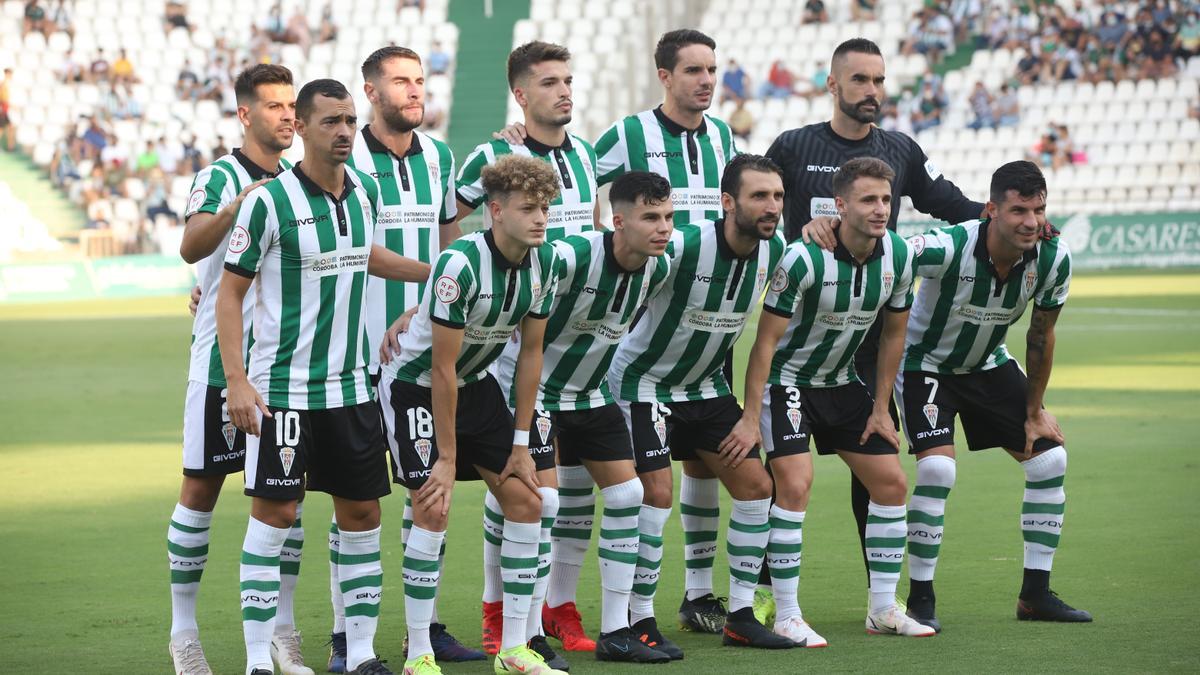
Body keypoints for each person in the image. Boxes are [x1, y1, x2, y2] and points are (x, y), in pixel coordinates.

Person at [763, 37, 984, 627]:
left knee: (877, 464)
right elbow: (758, 217)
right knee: (786, 471)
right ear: (833, 85)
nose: (872, 92)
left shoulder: (900, 150)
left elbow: (952, 204)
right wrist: (797, 235)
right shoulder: (793, 146)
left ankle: (880, 594)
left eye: (879, 81)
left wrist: (1013, 217)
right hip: (797, 340)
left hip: (864, 340)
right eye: (859, 80)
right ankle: (763, 591)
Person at [217, 78, 430, 675]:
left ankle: (359, 654)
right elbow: (229, 296)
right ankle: (260, 661)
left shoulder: (361, 193)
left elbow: (366, 254)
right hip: (282, 392)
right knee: (276, 517)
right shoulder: (268, 202)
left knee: (362, 516)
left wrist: (436, 270)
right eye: (331, 121)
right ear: (301, 128)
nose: (343, 132)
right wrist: (237, 380)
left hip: (352, 389)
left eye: (349, 120)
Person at [724, 158, 933, 643]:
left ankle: (882, 608)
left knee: (891, 483)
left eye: (886, 199)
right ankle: (787, 614)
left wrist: (882, 408)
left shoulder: (899, 257)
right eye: (868, 200)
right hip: (789, 383)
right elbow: (765, 345)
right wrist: (752, 416)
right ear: (840, 205)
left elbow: (893, 339)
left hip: (843, 383)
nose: (880, 209)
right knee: (795, 485)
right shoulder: (802, 258)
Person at [378, 154, 564, 675]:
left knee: (529, 502)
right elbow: (440, 368)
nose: (540, 218)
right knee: (433, 507)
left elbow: (531, 356)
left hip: (478, 388)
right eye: (528, 208)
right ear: (496, 211)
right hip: (415, 387)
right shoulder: (458, 265)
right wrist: (447, 458)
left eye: (545, 207)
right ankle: (419, 652)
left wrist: (523, 444)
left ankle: (513, 650)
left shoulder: (546, 264)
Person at [607, 154, 791, 651]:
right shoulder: (682, 246)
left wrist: (752, 418)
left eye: (777, 195)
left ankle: (741, 615)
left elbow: (766, 345)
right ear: (728, 202)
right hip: (643, 384)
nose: (771, 206)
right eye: (759, 196)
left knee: (755, 487)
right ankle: (638, 617)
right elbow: (615, 273)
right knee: (657, 495)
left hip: (708, 388)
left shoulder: (777, 254)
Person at [897, 160, 1092, 631]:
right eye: (1019, 210)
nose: (1031, 222)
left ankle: (1035, 595)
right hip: (926, 364)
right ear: (991, 211)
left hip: (988, 363)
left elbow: (1042, 336)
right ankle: (921, 597)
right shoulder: (950, 246)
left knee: (1050, 461)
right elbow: (887, 252)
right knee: (938, 468)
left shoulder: (1053, 256)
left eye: (1039, 210)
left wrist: (1033, 411)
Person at [493, 171, 678, 664]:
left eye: (668, 216)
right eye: (650, 217)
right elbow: (499, 266)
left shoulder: (656, 270)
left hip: (590, 394)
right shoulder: (569, 256)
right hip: (536, 394)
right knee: (546, 504)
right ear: (617, 221)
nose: (663, 228)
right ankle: (529, 635)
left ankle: (617, 631)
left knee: (628, 493)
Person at [332, 45, 474, 671]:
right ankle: (345, 637)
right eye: (400, 82)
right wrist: (437, 277)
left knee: (429, 492)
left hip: (416, 358)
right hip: (351, 355)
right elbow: (350, 249)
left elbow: (452, 241)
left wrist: (439, 299)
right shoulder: (347, 157)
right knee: (354, 503)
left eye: (419, 80)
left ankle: (428, 625)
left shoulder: (440, 156)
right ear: (370, 91)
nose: (415, 91)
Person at [456, 41, 598, 660]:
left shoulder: (587, 156)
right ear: (521, 94)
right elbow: (450, 220)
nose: (563, 91)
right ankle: (508, 619)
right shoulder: (494, 152)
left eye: (568, 80)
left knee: (580, 490)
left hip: (580, 350)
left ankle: (549, 609)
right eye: (548, 82)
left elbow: (592, 234)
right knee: (529, 489)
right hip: (517, 350)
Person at [169, 63, 304, 675]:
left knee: (287, 499)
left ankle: (283, 631)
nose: (286, 115)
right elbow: (193, 246)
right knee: (201, 490)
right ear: (246, 114)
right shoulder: (219, 176)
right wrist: (237, 208)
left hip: (286, 368)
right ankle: (184, 633)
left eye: (291, 105)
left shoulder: (305, 182)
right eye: (273, 105)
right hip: (221, 368)